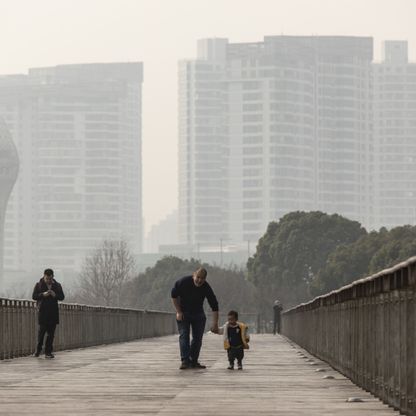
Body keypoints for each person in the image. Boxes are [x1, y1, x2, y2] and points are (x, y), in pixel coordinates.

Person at [171, 267, 219, 370]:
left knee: (197, 339)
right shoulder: (183, 282)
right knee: (184, 335)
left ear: (205, 279)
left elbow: (214, 305)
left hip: (198, 314)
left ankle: (193, 361)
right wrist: (178, 311)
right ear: (194, 275)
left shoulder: (206, 287)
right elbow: (173, 295)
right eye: (198, 277)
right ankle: (185, 361)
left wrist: (215, 323)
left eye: (202, 278)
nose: (199, 280)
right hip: (184, 313)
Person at [32, 268, 65, 358]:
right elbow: (34, 296)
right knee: (41, 333)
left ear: (53, 277)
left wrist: (55, 295)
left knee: (51, 335)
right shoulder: (39, 285)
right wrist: (43, 294)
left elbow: (62, 297)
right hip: (43, 313)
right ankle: (38, 351)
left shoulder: (57, 285)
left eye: (50, 279)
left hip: (53, 313)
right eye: (47, 279)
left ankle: (48, 352)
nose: (48, 281)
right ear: (44, 276)